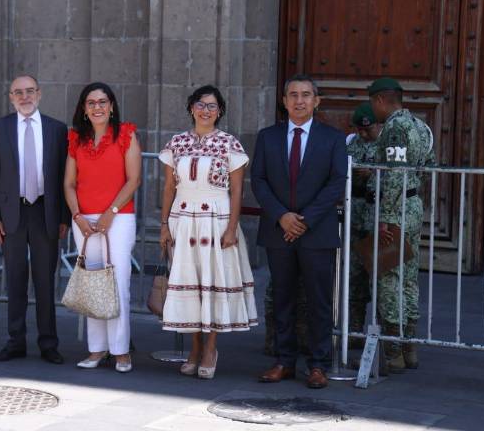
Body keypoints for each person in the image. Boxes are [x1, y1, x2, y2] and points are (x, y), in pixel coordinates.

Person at [251, 74, 347, 389]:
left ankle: (318, 364)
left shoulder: (333, 139)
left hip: (316, 232)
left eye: (306, 95)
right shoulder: (268, 136)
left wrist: (303, 220)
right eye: (293, 94)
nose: (299, 100)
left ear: (316, 101)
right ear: (284, 101)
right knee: (283, 298)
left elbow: (336, 182)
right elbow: (259, 181)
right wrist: (282, 217)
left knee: (319, 300)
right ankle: (284, 361)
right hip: (279, 230)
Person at [158, 85, 258, 380]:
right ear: (191, 108)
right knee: (190, 283)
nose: (206, 110)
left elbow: (237, 190)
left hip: (216, 219)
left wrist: (231, 228)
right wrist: (164, 224)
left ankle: (211, 348)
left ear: (219, 112)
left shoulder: (230, 144)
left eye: (212, 106)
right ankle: (194, 347)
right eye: (201, 105)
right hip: (183, 219)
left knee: (212, 284)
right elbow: (168, 188)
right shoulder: (176, 143)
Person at [0, 75, 69, 365]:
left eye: (30, 91)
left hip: (45, 211)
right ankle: (15, 341)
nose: (24, 97)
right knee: (16, 279)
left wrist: (64, 217)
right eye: (18, 93)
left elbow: (63, 178)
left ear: (40, 94)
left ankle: (48, 343)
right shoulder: (1, 127)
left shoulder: (57, 130)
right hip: (13, 214)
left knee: (45, 281)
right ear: (10, 97)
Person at [64, 82, 141, 373]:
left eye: (102, 102)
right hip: (83, 221)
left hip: (118, 219)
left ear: (111, 106)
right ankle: (96, 349)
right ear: (84, 109)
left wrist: (111, 212)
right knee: (91, 282)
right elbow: (68, 183)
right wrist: (77, 215)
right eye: (91, 102)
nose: (97, 107)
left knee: (117, 282)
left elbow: (133, 180)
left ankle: (121, 351)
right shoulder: (76, 139)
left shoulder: (125, 135)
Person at [367, 77, 434, 372]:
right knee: (408, 278)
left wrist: (384, 218)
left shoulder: (394, 128)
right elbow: (428, 166)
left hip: (395, 210)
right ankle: (411, 347)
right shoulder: (421, 126)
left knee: (388, 278)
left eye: (373, 103)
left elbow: (394, 175)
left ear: (381, 100)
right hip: (413, 204)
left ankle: (393, 352)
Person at [345, 102, 381, 344]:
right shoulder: (350, 144)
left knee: (382, 279)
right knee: (354, 278)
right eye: (360, 129)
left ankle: (387, 336)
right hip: (355, 217)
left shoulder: (389, 146)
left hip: (379, 217)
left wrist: (375, 173)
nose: (364, 134)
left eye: (369, 129)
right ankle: (355, 331)